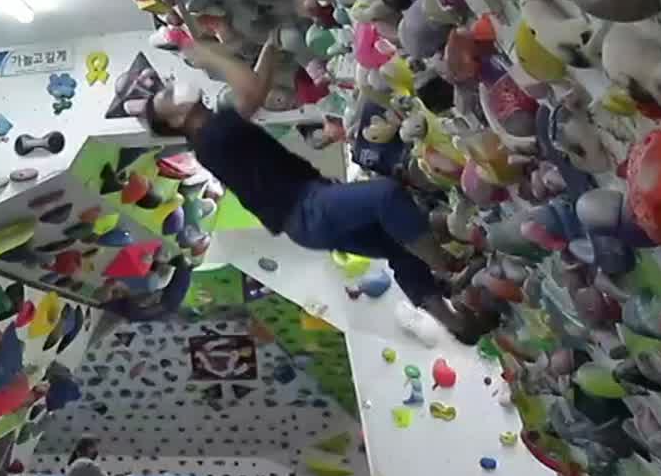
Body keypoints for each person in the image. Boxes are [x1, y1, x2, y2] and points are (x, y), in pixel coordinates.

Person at [144, 35, 498, 346]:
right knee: (385, 196)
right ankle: (446, 267)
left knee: (398, 247)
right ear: (176, 120)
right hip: (307, 208)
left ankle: (456, 323)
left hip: (304, 220)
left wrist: (270, 46)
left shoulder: (213, 137)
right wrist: (208, 55)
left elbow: (255, 95)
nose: (175, 90)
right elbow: (251, 90)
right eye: (169, 97)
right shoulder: (212, 134)